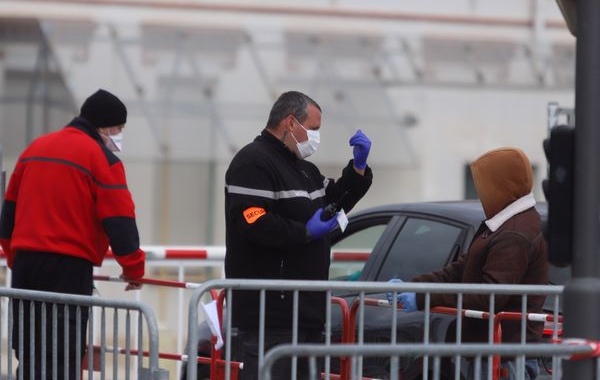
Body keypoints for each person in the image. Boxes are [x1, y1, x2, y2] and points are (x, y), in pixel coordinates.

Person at [224, 91, 373, 379]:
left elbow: (334, 200)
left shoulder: (304, 169)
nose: (316, 137)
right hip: (269, 312)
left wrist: (358, 169)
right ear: (291, 123)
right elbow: (250, 218)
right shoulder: (252, 162)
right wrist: (304, 231)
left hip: (305, 309)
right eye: (313, 129)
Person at [0, 89, 146, 379]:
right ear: (104, 126)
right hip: (68, 269)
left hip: (26, 267)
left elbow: (8, 216)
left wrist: (15, 257)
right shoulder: (102, 160)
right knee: (61, 352)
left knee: (29, 351)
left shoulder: (34, 149)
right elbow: (120, 219)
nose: (118, 136)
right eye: (118, 129)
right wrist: (134, 268)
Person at [389, 147, 548, 380]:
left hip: (505, 359)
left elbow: (488, 295)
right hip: (493, 353)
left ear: (503, 185)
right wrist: (414, 287)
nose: (482, 195)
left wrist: (423, 298)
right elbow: (459, 270)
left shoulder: (514, 233)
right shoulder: (504, 225)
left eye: (484, 186)